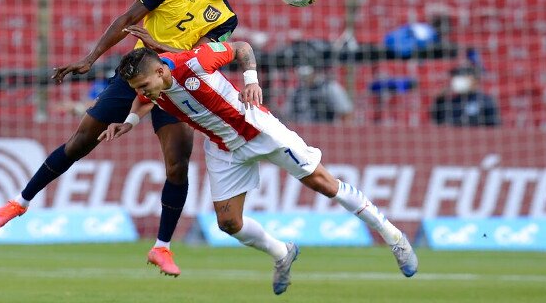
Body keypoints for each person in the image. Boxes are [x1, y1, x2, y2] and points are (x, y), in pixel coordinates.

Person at [0, 0, 258, 277]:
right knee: (81, 142)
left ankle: (162, 247)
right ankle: (20, 202)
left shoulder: (227, 18)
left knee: (177, 164)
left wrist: (156, 43)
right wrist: (90, 58)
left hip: (180, 85)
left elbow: (199, 57)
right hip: (137, 75)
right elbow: (126, 20)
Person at [100, 43, 419, 294]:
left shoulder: (193, 63)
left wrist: (250, 81)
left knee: (324, 184)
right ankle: (282, 253)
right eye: (138, 87)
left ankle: (392, 236)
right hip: (224, 148)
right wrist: (128, 122)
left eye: (145, 84)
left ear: (160, 69)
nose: (144, 91)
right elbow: (143, 100)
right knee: (227, 222)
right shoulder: (150, 86)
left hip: (257, 129)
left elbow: (242, 48)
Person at [430, 66, 501, 127]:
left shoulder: (485, 100)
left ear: (475, 81)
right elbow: (437, 121)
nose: (458, 80)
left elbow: (494, 126)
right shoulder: (451, 102)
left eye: (462, 77)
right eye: (457, 77)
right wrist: (439, 100)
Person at [285, 65, 353, 123]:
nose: (304, 79)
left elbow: (346, 111)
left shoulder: (329, 87)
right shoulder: (296, 91)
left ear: (314, 72)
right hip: (300, 131)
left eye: (307, 75)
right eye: (302, 76)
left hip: (324, 130)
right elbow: (287, 115)